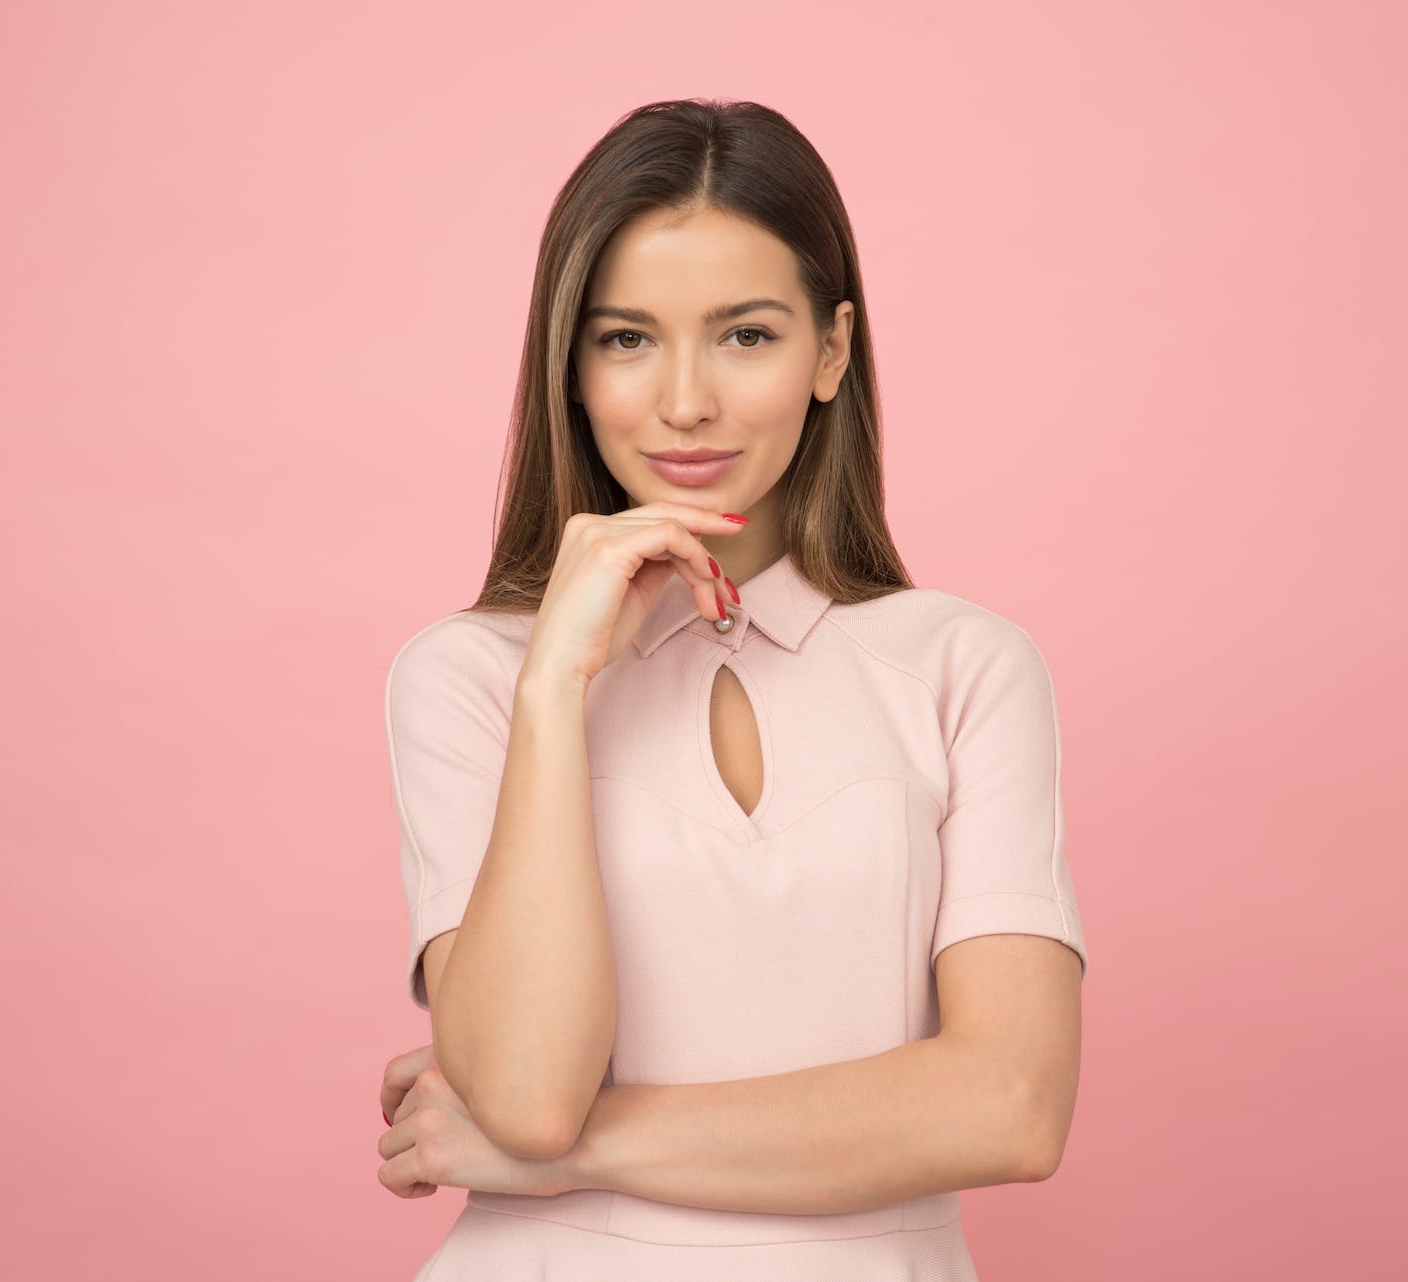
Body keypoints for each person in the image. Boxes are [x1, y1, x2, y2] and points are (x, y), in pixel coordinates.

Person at [373, 97, 1088, 1280]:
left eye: (747, 335)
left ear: (833, 351)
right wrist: (555, 679)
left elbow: (1008, 1104)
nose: (687, 399)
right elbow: (528, 1093)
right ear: (571, 364)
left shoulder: (965, 666)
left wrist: (568, 1157)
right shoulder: (471, 678)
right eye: (627, 338)